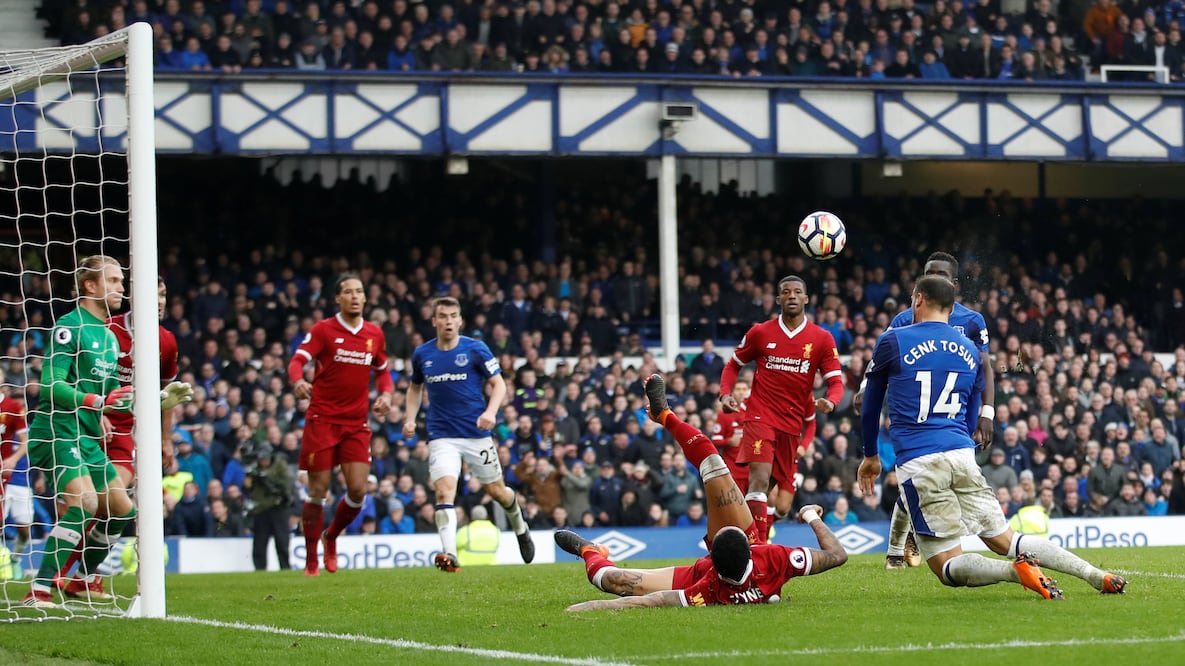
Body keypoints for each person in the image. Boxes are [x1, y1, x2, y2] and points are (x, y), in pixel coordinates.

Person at [857, 275, 1127, 600]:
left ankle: (1014, 571)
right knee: (1008, 539)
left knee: (946, 564)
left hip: (920, 459)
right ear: (951, 307)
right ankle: (1093, 573)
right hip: (961, 453)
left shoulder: (893, 340)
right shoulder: (969, 349)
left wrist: (870, 455)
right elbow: (974, 401)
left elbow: (870, 404)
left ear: (918, 299)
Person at [555, 373, 848, 610]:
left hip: (701, 572)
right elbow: (837, 555)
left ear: (713, 564)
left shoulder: (706, 588)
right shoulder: (775, 558)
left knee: (612, 580)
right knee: (713, 462)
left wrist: (594, 606)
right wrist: (811, 515)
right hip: (747, 538)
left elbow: (651, 601)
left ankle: (591, 551)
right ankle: (664, 414)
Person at [24, 256, 191, 607]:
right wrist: (95, 401)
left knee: (122, 509)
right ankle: (37, 590)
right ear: (91, 285)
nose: (121, 289)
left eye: (121, 282)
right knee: (84, 503)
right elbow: (51, 384)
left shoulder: (110, 337)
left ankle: (82, 578)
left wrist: (158, 401)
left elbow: (118, 399)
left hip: (86, 436)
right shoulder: (70, 326)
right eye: (114, 281)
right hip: (57, 429)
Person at [854, 251, 995, 570]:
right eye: (929, 272)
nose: (934, 278)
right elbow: (879, 362)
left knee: (927, 479)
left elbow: (985, 368)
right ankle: (899, 548)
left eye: (941, 275)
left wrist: (987, 412)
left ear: (954, 283)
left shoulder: (972, 321)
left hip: (959, 415)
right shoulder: (903, 320)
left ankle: (903, 544)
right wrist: (864, 387)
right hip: (917, 415)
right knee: (919, 475)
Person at [403, 296, 534, 572]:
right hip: (441, 435)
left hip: (476, 434)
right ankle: (450, 554)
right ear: (434, 321)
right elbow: (415, 388)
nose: (448, 321)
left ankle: (520, 526)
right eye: (443, 316)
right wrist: (409, 419)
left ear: (460, 320)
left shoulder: (475, 349)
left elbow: (499, 385)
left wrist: (491, 412)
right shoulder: (422, 354)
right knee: (443, 492)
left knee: (497, 492)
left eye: (453, 316)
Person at [718, 275, 844, 542]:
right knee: (759, 479)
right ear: (778, 299)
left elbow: (835, 380)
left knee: (774, 497)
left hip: (791, 424)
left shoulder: (821, 338)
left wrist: (831, 401)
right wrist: (725, 393)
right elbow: (733, 365)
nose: (792, 296)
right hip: (760, 415)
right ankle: (758, 547)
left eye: (797, 291)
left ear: (806, 298)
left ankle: (741, 532)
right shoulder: (760, 332)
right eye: (786, 292)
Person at [288, 272, 395, 576]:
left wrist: (387, 394)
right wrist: (298, 381)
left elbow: (383, 371)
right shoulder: (323, 330)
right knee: (318, 491)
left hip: (356, 424)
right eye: (348, 292)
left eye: (359, 291)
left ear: (365, 297)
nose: (354, 296)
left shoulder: (374, 333)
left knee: (358, 490)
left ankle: (331, 535)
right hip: (322, 420)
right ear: (338, 298)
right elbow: (297, 361)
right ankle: (311, 559)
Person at [0, 374, 31, 574]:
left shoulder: (12, 408)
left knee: (25, 528)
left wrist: (12, 460)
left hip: (12, 478)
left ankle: (16, 559)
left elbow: (26, 443)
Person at [245, 444, 293, 570]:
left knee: (282, 541)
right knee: (259, 543)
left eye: (265, 459)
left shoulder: (280, 466)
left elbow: (287, 483)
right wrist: (250, 481)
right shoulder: (253, 469)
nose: (263, 462)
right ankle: (260, 569)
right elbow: (248, 488)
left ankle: (285, 567)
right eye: (261, 459)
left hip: (278, 507)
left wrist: (267, 477)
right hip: (261, 509)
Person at [710, 379, 749, 494]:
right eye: (738, 389)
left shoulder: (754, 413)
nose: (741, 392)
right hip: (733, 469)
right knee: (737, 502)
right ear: (732, 393)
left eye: (744, 389)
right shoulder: (724, 415)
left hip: (753, 469)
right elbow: (715, 440)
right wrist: (728, 441)